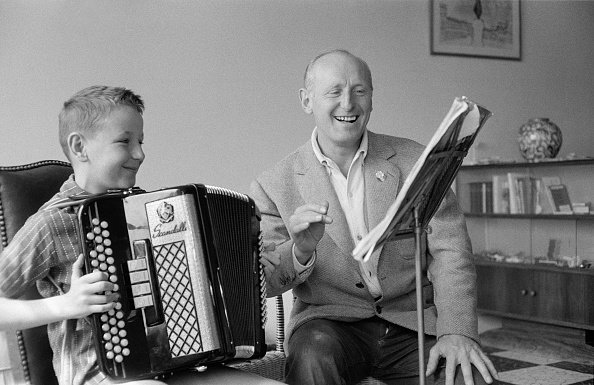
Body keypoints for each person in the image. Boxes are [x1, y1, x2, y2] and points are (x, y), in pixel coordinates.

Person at [0, 86, 281, 385]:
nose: (140, 153)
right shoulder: (50, 223)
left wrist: (247, 269)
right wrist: (65, 305)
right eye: (124, 141)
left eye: (141, 141)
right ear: (80, 147)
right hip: (98, 377)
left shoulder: (143, 211)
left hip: (171, 365)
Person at [251, 50, 498, 385]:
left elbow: (451, 252)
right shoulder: (272, 184)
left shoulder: (418, 160)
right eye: (334, 92)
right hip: (328, 327)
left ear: (371, 97)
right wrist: (300, 252)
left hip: (414, 324)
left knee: (472, 378)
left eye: (360, 91)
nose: (348, 104)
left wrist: (457, 332)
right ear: (307, 100)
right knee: (312, 360)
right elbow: (264, 283)